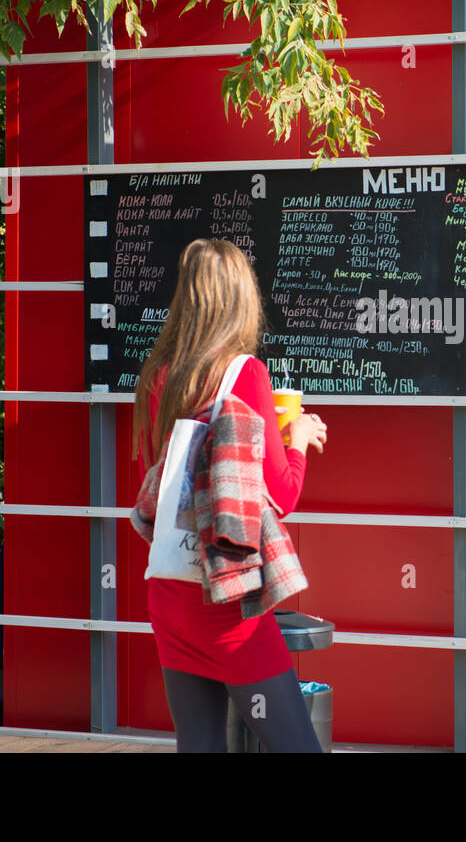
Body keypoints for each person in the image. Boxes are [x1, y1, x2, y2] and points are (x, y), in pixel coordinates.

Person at [132, 238, 328, 752]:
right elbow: (280, 495)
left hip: (170, 590)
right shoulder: (247, 374)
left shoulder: (157, 378)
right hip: (226, 601)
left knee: (198, 744)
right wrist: (298, 440)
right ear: (242, 298)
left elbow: (162, 486)